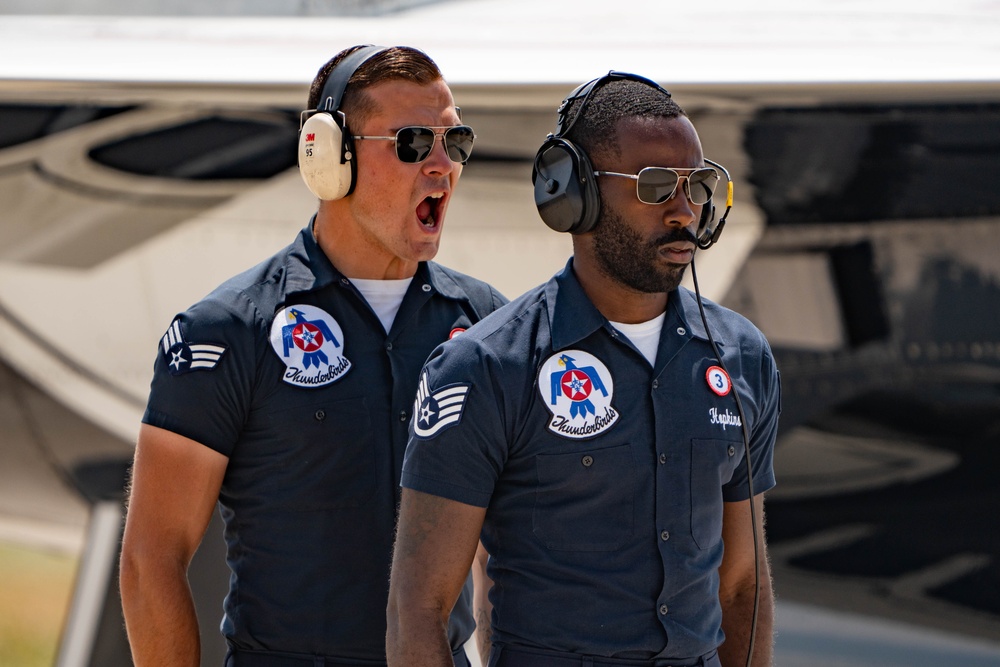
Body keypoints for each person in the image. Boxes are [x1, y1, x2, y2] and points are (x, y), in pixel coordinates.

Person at [119, 45, 506, 667]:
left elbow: (508, 553)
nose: (442, 166)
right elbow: (151, 559)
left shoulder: (493, 328)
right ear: (328, 156)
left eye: (453, 142)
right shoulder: (227, 330)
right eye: (412, 143)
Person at [386, 72, 780, 667]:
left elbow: (743, 584)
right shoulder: (485, 368)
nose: (684, 212)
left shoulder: (742, 355)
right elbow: (419, 613)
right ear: (574, 193)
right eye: (654, 187)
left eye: (696, 186)